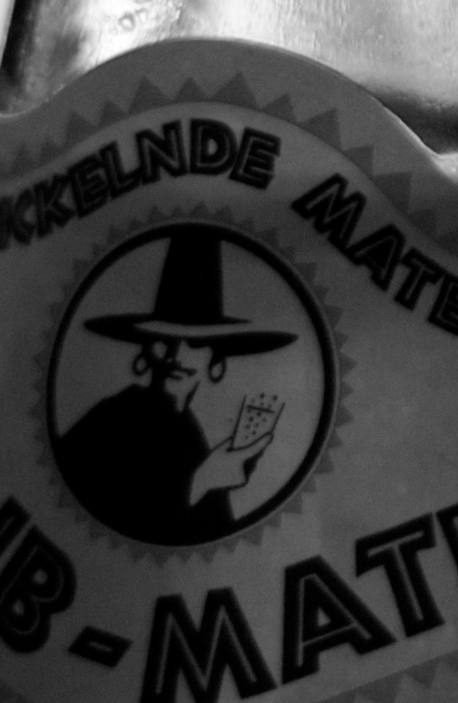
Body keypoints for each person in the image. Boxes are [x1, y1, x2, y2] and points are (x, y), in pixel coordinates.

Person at [53, 229, 296, 545]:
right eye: (163, 340)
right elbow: (102, 510)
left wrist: (222, 476)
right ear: (145, 350)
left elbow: (206, 538)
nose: (176, 355)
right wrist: (202, 480)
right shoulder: (114, 416)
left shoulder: (188, 430)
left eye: (194, 343)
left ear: (215, 359)